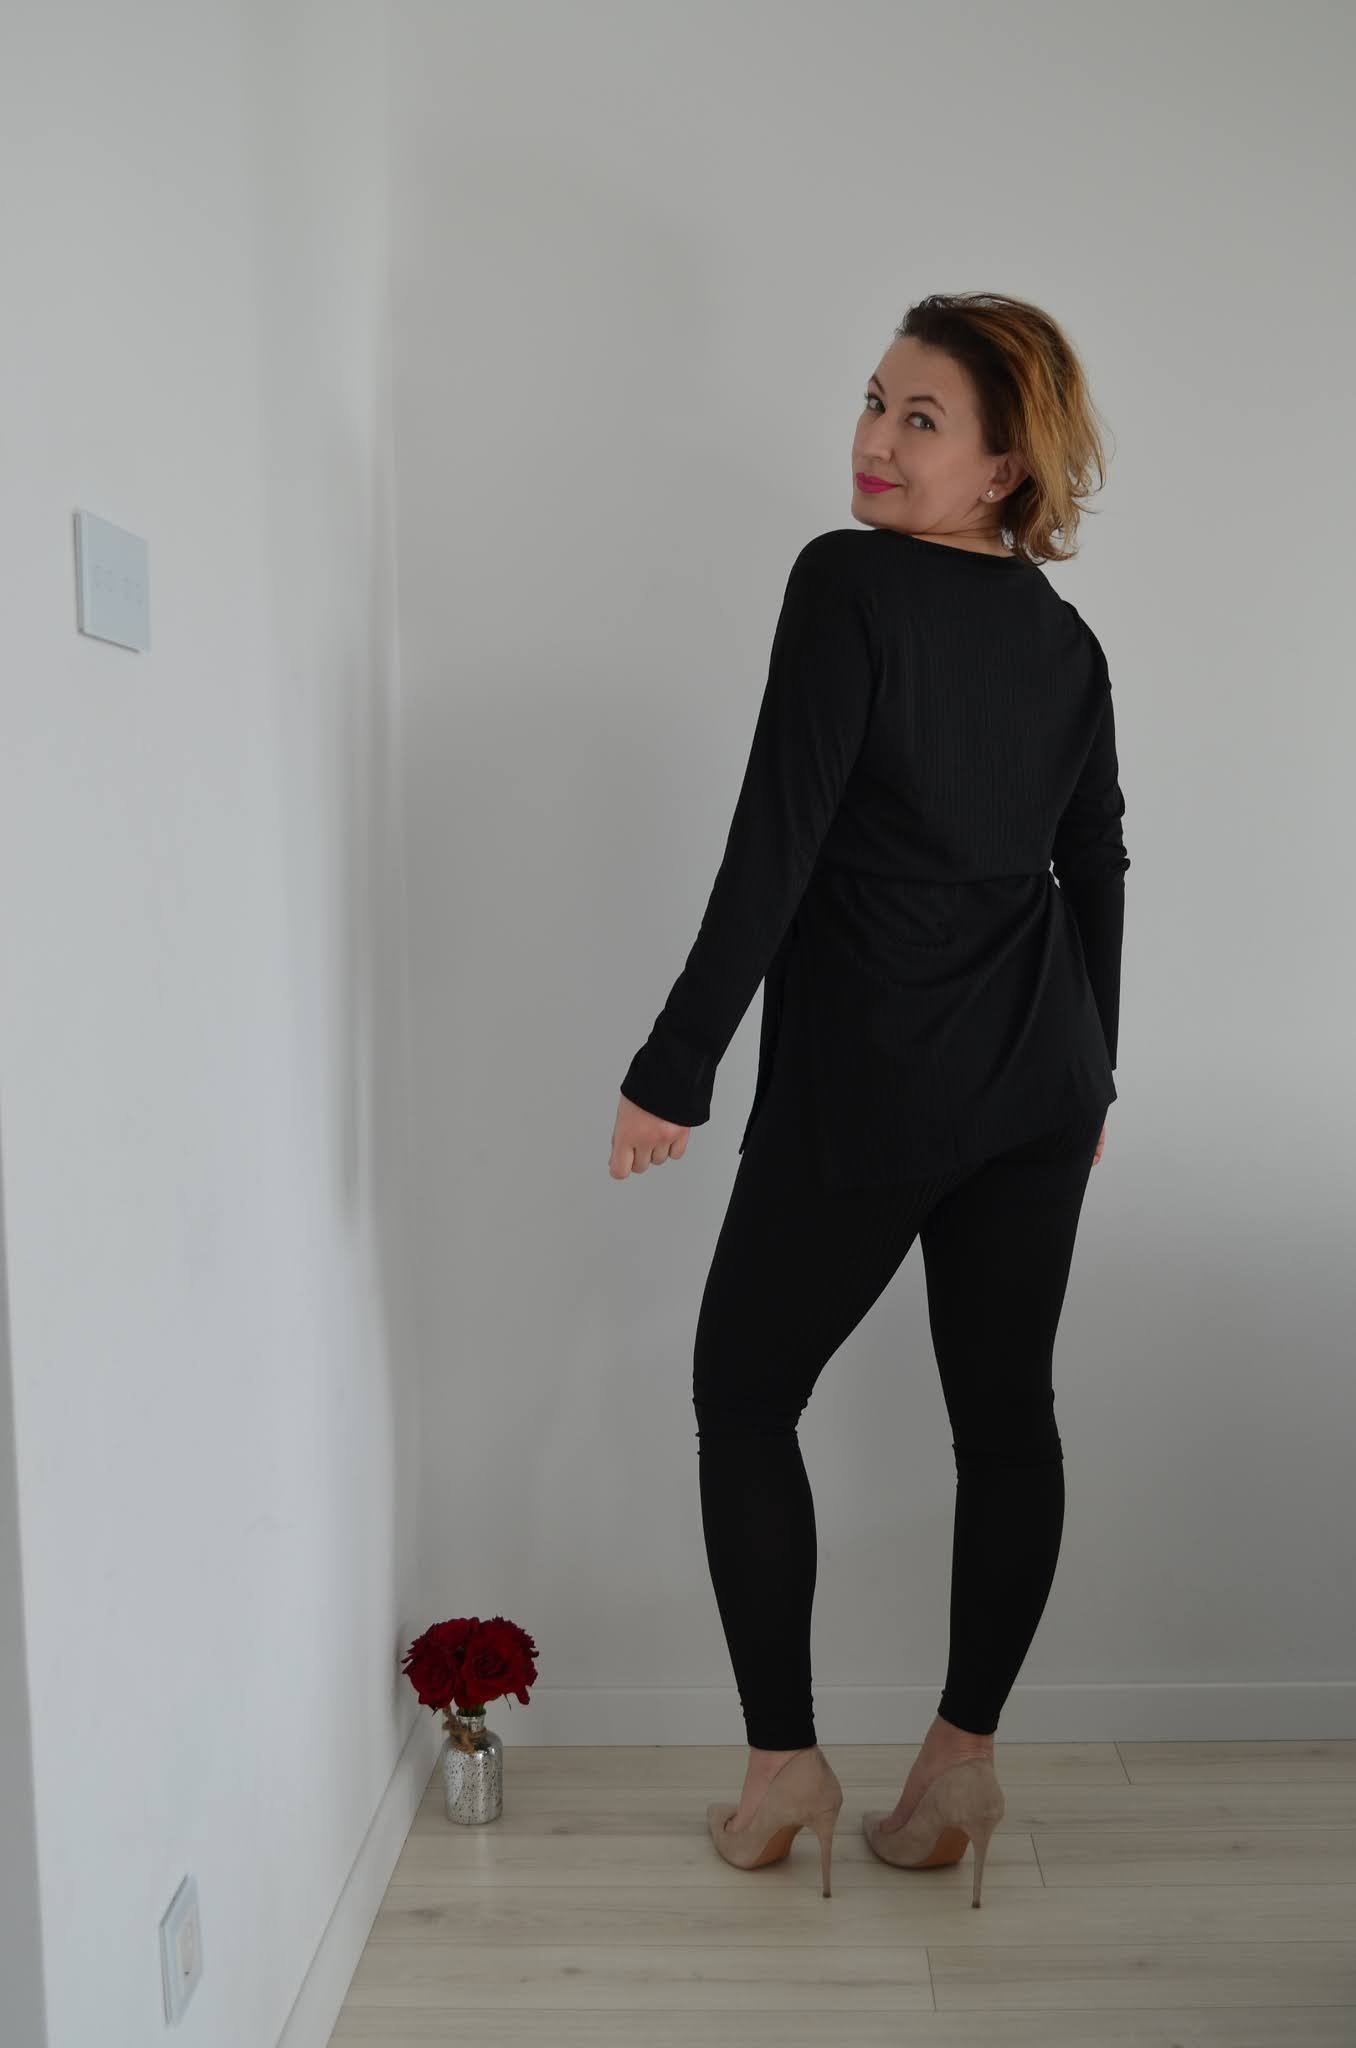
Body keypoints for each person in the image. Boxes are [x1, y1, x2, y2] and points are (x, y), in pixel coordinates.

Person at [608, 291, 1129, 1907]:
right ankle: (959, 1759)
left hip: (876, 1086)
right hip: (1037, 1083)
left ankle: (785, 1774)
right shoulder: (1067, 642)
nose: (875, 440)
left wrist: (676, 1061)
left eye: (921, 419)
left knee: (745, 1394)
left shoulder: (846, 583)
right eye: (873, 401)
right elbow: (1096, 868)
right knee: (1009, 1418)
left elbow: (780, 833)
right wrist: (1097, 1067)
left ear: (1002, 468)